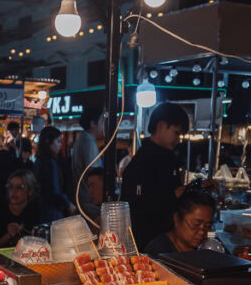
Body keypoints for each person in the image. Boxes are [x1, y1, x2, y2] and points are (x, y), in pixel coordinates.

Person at [121, 102, 190, 250]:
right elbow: (138, 207)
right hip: (148, 242)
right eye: (176, 133)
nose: (178, 139)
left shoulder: (167, 157)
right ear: (161, 126)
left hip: (164, 239)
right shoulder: (144, 160)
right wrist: (175, 195)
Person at [144, 190, 216, 258]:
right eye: (196, 224)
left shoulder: (205, 249)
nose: (202, 232)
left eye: (207, 226)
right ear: (176, 219)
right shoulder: (157, 251)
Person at [0, 169, 41, 248]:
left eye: (19, 187)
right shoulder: (0, 211)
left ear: (30, 191)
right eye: (10, 187)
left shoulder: (36, 210)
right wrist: (8, 235)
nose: (13, 191)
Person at [34, 125, 73, 223]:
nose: (60, 145)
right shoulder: (50, 162)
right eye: (58, 141)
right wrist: (67, 203)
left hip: (41, 209)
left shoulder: (39, 160)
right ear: (48, 142)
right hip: (52, 211)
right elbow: (53, 189)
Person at [71, 107, 104, 220]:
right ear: (93, 123)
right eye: (101, 121)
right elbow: (93, 172)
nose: (103, 125)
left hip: (82, 198)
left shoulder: (81, 139)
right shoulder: (88, 141)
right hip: (88, 200)